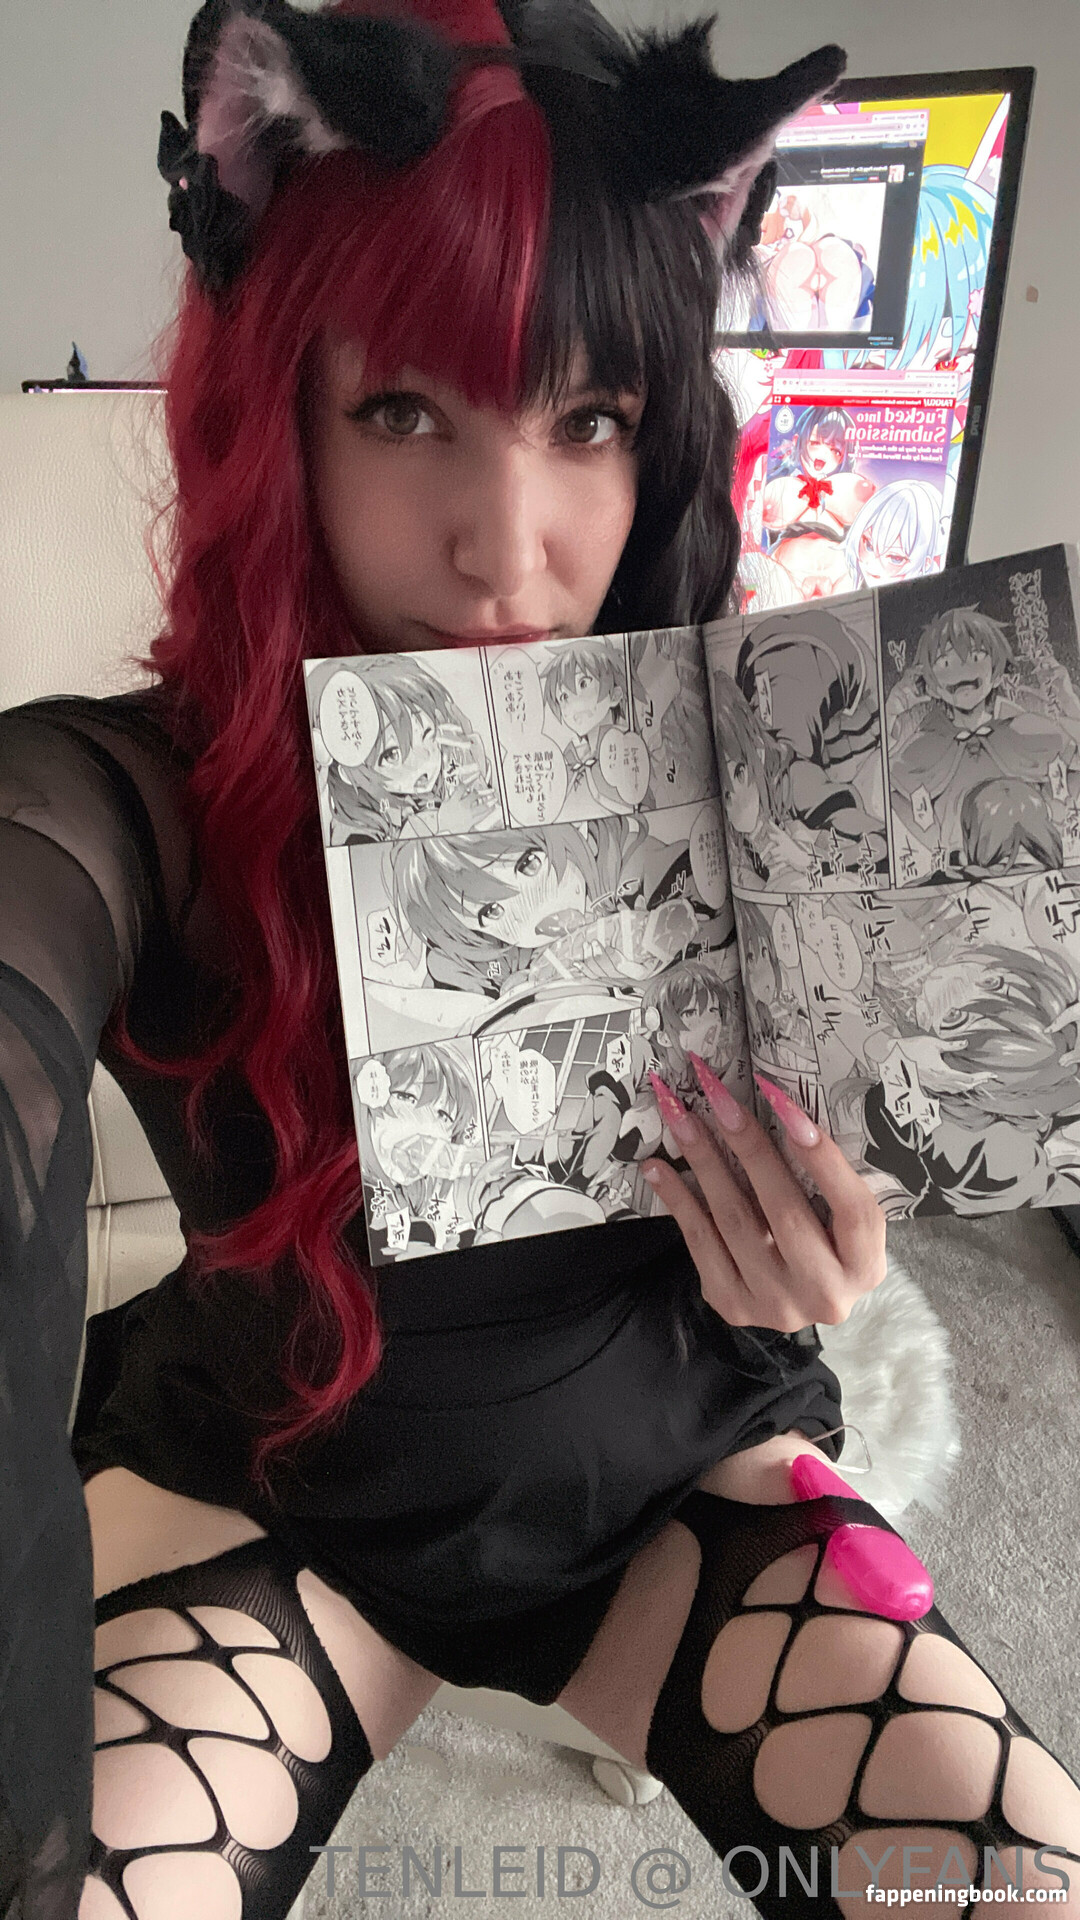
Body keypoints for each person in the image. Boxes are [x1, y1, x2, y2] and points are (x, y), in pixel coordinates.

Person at [3, 5, 1080, 1919]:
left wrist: (830, 1254)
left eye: (589, 422)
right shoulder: (140, 793)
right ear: (277, 414)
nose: (509, 552)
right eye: (405, 411)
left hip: (679, 1479)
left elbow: (886, 1127)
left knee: (1013, 1884)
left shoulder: (767, 769)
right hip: (282, 1496)